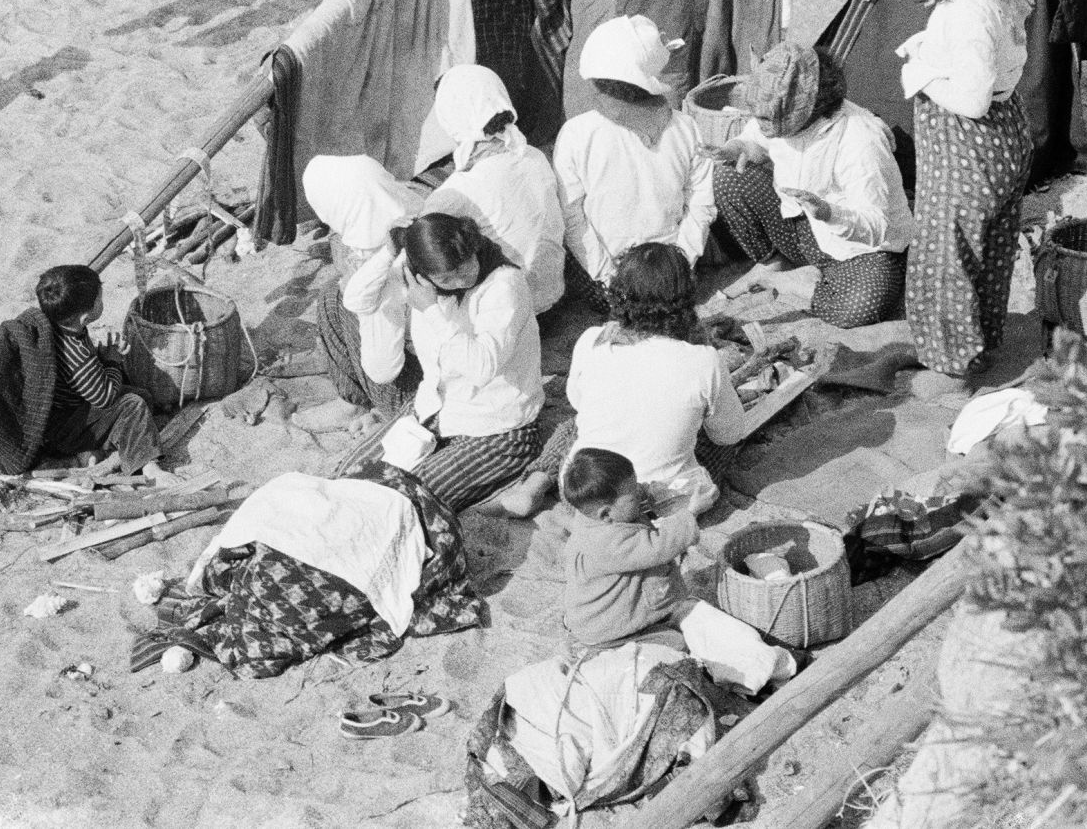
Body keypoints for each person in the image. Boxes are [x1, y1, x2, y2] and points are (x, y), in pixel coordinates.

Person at [896, 0, 1034, 382]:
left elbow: (972, 99)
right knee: (990, 245)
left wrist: (922, 75)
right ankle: (982, 342)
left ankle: (952, 365)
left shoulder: (969, 9)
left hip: (967, 140)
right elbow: (1001, 64)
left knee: (947, 253)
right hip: (1005, 132)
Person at [497, 243, 745, 518]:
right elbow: (729, 434)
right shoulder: (704, 359)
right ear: (686, 297)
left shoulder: (592, 340)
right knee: (713, 439)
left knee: (574, 427)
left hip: (584, 499)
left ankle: (534, 485)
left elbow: (577, 401)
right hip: (662, 504)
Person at [333, 213, 544, 512]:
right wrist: (392, 251)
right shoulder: (422, 281)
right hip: (434, 411)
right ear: (424, 275)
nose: (462, 278)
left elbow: (481, 367)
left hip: (498, 428)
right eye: (447, 277)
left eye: (466, 265)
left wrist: (432, 310)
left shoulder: (504, 284)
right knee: (347, 478)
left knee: (399, 500)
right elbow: (356, 301)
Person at [710, 42, 915, 328]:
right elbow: (756, 139)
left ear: (807, 109)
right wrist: (738, 147)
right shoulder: (782, 114)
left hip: (857, 250)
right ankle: (774, 261)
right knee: (727, 177)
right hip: (801, 230)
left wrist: (830, 213)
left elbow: (875, 225)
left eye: (768, 117)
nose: (762, 122)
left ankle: (790, 280)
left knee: (858, 308)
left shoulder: (859, 140)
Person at [559, 447, 796, 694]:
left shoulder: (601, 519)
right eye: (632, 493)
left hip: (633, 612)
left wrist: (651, 494)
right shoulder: (604, 544)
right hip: (611, 633)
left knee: (698, 620)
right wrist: (691, 512)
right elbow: (658, 546)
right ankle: (748, 674)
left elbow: (635, 518)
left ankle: (762, 667)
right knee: (678, 645)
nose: (639, 491)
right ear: (606, 514)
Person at [554, 15, 715, 311]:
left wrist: (608, 277)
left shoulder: (576, 134)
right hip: (673, 275)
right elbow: (701, 206)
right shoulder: (687, 127)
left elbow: (572, 218)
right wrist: (680, 265)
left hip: (608, 283)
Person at [0, 265, 166, 479]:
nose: (102, 302)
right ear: (85, 317)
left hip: (61, 411)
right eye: (100, 300)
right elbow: (104, 398)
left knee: (143, 396)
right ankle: (149, 469)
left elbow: (81, 379)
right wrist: (112, 362)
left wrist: (101, 359)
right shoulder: (77, 354)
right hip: (62, 426)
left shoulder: (56, 328)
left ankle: (97, 450)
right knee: (134, 404)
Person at [424, 64, 565, 315]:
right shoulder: (535, 156)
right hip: (553, 299)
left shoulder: (455, 193)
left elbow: (426, 249)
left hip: (509, 316)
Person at [301, 155, 424, 429]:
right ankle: (354, 402)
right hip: (434, 361)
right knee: (336, 294)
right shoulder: (416, 218)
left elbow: (383, 368)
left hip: (418, 393)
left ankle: (382, 409)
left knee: (339, 300)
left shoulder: (386, 262)